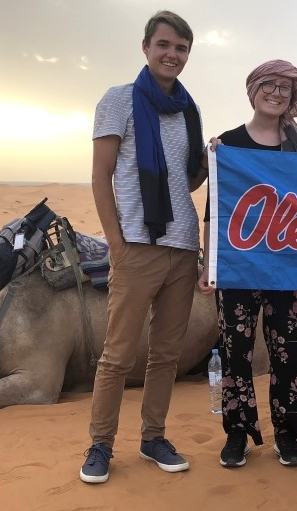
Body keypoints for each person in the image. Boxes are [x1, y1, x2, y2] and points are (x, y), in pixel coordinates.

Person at [80, 10, 208, 484]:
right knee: (118, 354)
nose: (172, 54)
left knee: (167, 355)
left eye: (181, 48)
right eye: (165, 45)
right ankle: (100, 444)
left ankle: (153, 436)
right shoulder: (119, 101)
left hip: (181, 246)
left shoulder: (189, 110)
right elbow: (101, 176)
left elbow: (187, 180)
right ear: (146, 47)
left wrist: (212, 160)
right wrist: (116, 242)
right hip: (137, 243)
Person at [198, 60, 297, 468]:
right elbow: (216, 212)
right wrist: (209, 265)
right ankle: (237, 433)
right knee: (236, 352)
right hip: (238, 267)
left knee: (289, 353)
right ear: (253, 89)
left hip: (290, 268)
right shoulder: (227, 145)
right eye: (269, 85)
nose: (277, 93)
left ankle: (289, 433)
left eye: (286, 87)